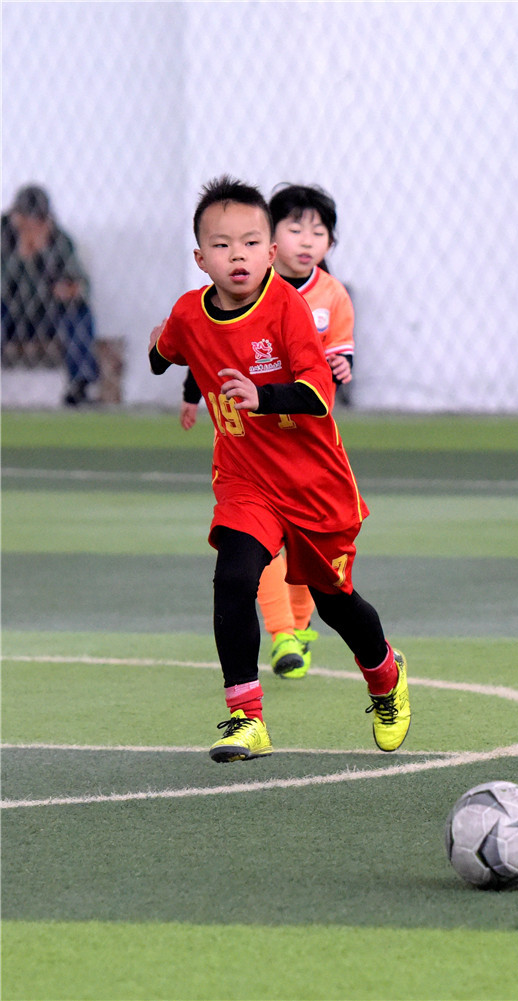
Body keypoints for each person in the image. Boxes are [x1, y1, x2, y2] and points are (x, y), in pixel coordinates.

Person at [149, 176, 410, 761]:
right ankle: (248, 719)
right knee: (234, 576)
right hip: (246, 481)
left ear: (270, 253)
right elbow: (165, 352)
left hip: (313, 483)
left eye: (249, 243)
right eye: (221, 245)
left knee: (333, 602)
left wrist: (261, 396)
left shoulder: (289, 308)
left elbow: (318, 392)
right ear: (200, 258)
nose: (236, 255)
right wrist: (157, 353)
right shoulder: (189, 312)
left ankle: (386, 676)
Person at [177, 184, 355, 680]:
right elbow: (204, 344)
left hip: (305, 448)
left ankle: (301, 624)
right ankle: (281, 636)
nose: (307, 240)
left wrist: (340, 369)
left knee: (313, 559)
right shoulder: (235, 293)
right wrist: (192, 391)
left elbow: (334, 362)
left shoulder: (327, 296)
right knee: (250, 549)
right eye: (295, 229)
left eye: (318, 232)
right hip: (249, 451)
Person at [1, 185, 100, 405]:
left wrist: (70, 289)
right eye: (26, 220)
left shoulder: (58, 239)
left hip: (47, 316)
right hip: (9, 315)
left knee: (78, 312)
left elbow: (80, 283)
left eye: (38, 220)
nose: (32, 227)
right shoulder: (3, 235)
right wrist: (21, 258)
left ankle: (80, 386)